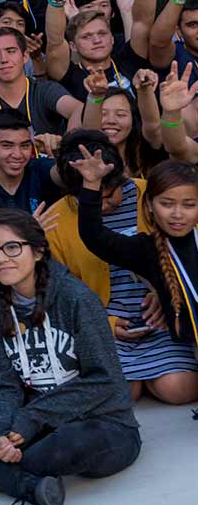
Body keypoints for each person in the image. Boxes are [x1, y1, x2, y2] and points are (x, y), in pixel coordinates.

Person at [0, 209, 142, 505]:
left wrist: (31, 418)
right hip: (33, 423)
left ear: (37, 251)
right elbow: (4, 385)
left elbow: (104, 380)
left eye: (12, 247)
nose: (2, 258)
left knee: (59, 446)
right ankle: (26, 485)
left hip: (101, 423)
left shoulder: (76, 298)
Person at [73, 152, 198, 403]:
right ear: (149, 204)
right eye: (167, 203)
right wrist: (91, 185)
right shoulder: (147, 249)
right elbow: (95, 237)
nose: (177, 214)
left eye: (189, 205)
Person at [44, 0, 155, 103]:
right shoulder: (70, 73)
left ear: (112, 38)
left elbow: (143, 22)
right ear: (73, 46)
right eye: (86, 37)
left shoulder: (128, 60)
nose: (96, 40)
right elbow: (55, 41)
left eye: (102, 34)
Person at [0, 27, 81, 136]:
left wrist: (64, 144)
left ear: (25, 56)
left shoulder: (45, 90)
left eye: (11, 51)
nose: (4, 59)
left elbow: (78, 109)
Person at [0, 110, 59, 212]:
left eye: (25, 146)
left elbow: (66, 175)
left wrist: (62, 150)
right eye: (7, 145)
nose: (17, 155)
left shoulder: (39, 170)